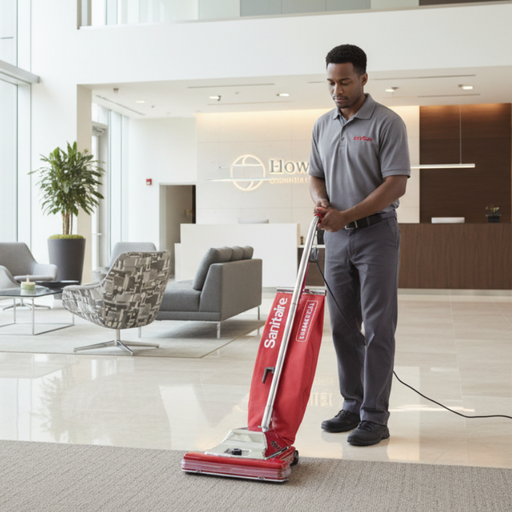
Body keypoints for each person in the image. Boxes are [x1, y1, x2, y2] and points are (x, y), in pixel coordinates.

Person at [308, 44, 410, 446]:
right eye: (331, 82)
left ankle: (375, 416)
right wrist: (320, 201)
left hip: (376, 235)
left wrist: (346, 215)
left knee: (378, 327)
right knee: (343, 327)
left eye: (345, 81)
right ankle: (352, 405)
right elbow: (316, 175)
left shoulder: (387, 122)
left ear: (364, 78)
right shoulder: (322, 125)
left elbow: (395, 184)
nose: (336, 89)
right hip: (336, 239)